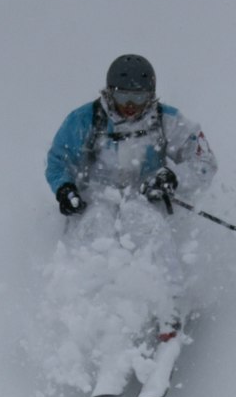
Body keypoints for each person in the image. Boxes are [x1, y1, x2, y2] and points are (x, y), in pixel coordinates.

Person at [45, 54, 217, 340]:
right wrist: (64, 188)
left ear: (151, 96)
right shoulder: (84, 120)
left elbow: (204, 163)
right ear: (108, 92)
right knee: (96, 228)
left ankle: (169, 304)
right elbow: (57, 160)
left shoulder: (168, 121)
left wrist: (172, 178)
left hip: (144, 196)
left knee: (148, 225)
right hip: (96, 197)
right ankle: (84, 310)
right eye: (122, 96)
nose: (128, 107)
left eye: (137, 99)